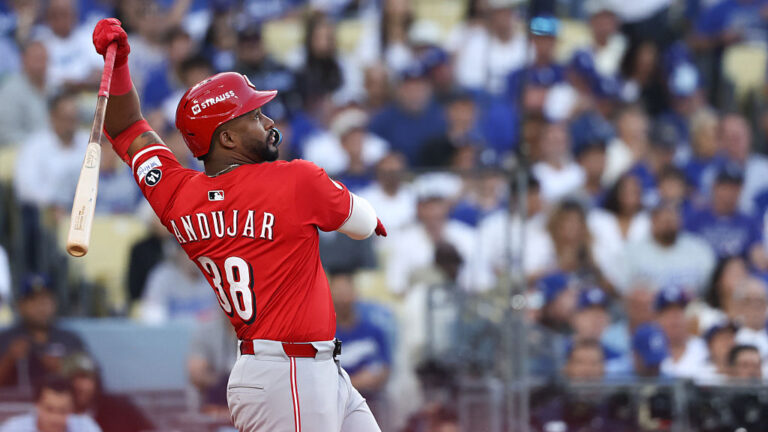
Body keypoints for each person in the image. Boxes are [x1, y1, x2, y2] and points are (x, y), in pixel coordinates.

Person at [92, 19, 385, 432]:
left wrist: (118, 65)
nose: (268, 122)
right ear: (226, 138)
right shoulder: (294, 179)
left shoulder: (177, 195)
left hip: (290, 369)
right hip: (291, 373)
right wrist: (121, 61)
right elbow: (364, 222)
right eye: (254, 115)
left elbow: (124, 128)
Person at [0, 274, 87, 389]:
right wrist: (9, 359)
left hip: (60, 405)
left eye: (46, 299)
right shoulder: (5, 339)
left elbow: (92, 382)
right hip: (16, 404)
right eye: (33, 300)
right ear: (20, 306)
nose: (41, 306)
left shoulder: (70, 339)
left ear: (55, 303)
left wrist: (64, 367)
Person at [13, 89, 89, 210]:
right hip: (47, 215)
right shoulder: (34, 146)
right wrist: (54, 203)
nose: (70, 124)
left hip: (89, 209)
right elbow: (25, 189)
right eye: (66, 118)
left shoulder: (90, 143)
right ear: (52, 117)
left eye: (74, 118)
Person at [624, 199, 715, 295]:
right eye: (663, 221)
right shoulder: (633, 251)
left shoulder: (699, 250)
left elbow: (708, 287)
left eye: (672, 220)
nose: (668, 225)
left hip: (690, 308)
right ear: (652, 222)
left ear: (680, 221)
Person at [329, 269, 391, 405]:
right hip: (337, 403)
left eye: (346, 293)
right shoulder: (327, 337)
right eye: (338, 294)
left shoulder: (373, 331)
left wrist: (373, 378)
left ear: (355, 294)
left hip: (372, 400)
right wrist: (356, 382)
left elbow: (385, 368)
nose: (342, 299)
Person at [62, 352, 153, 432]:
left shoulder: (119, 409)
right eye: (72, 378)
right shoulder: (57, 418)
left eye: (84, 377)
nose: (79, 385)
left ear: (96, 381)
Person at [0, 376, 102, 432]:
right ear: (37, 405)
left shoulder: (85, 427)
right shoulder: (14, 428)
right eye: (49, 409)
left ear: (72, 409)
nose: (55, 418)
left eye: (62, 411)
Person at [0, 41, 49, 147]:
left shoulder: (53, 86)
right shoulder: (10, 91)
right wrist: (44, 144)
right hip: (21, 152)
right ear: (23, 60)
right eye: (36, 59)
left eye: (43, 59)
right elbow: (7, 135)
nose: (41, 65)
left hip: (57, 151)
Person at [654, 286, 709, 379]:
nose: (674, 318)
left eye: (679, 311)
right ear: (657, 318)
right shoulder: (651, 348)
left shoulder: (704, 348)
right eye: (668, 312)